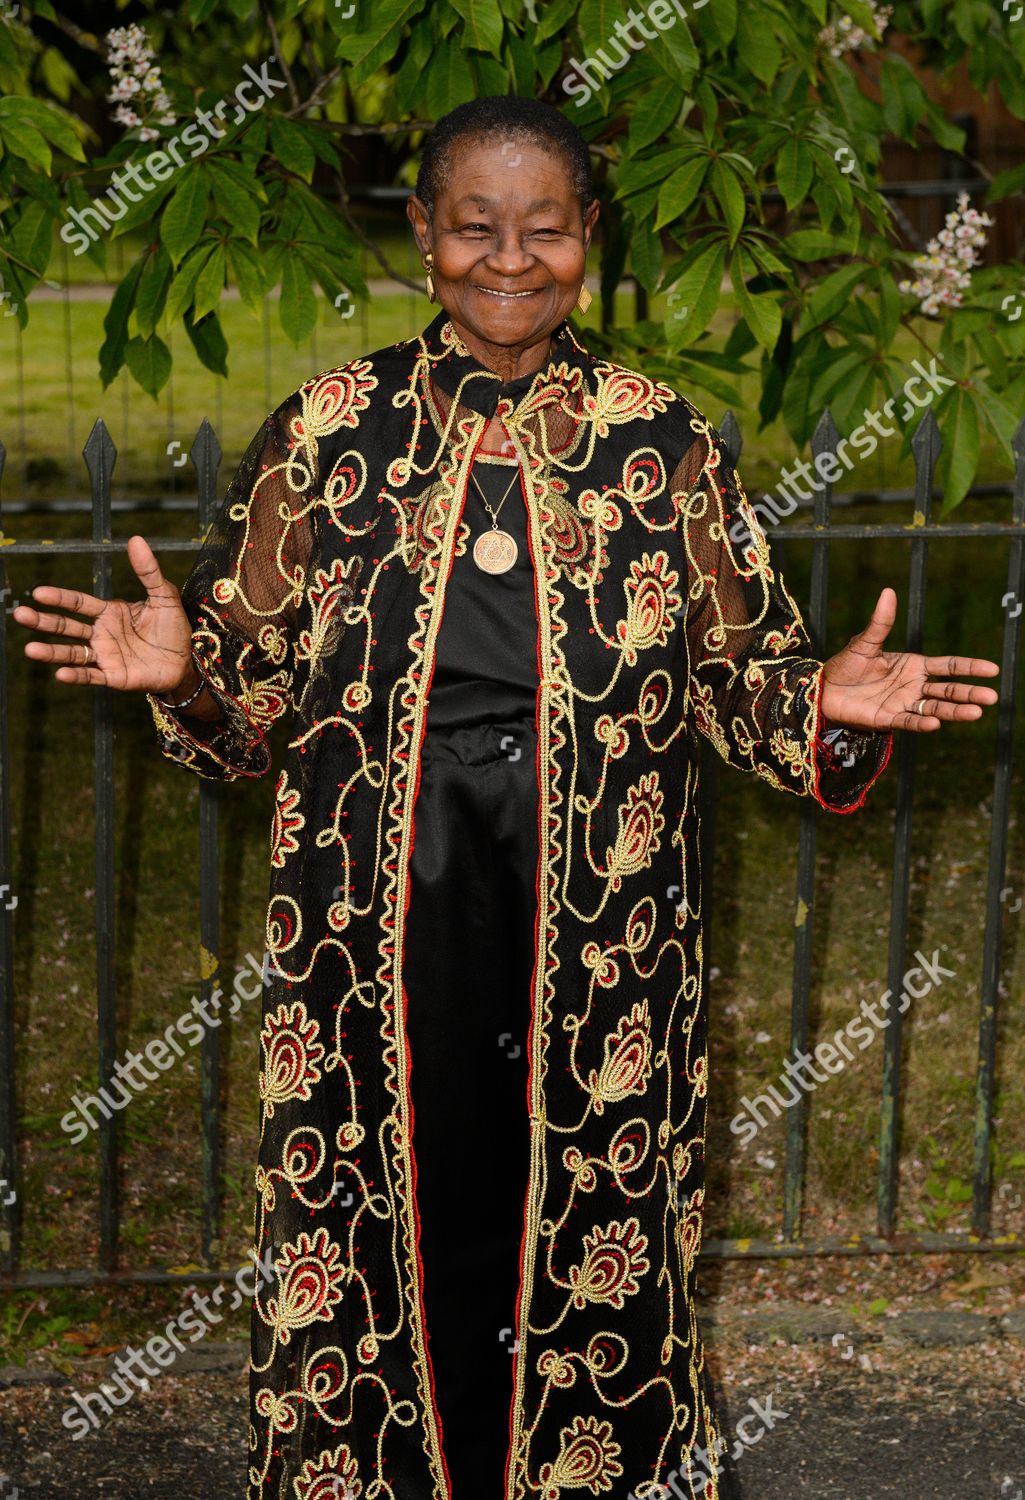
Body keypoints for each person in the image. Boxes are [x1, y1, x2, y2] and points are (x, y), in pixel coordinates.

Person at [16, 95, 1000, 1500]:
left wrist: (820, 702)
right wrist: (184, 674)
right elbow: (247, 715)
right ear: (421, 234)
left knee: (591, 1231)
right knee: (370, 1227)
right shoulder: (328, 435)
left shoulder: (661, 445)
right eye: (473, 227)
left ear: (588, 236)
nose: (509, 260)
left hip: (600, 932)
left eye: (545, 229)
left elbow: (736, 678)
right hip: (368, 926)